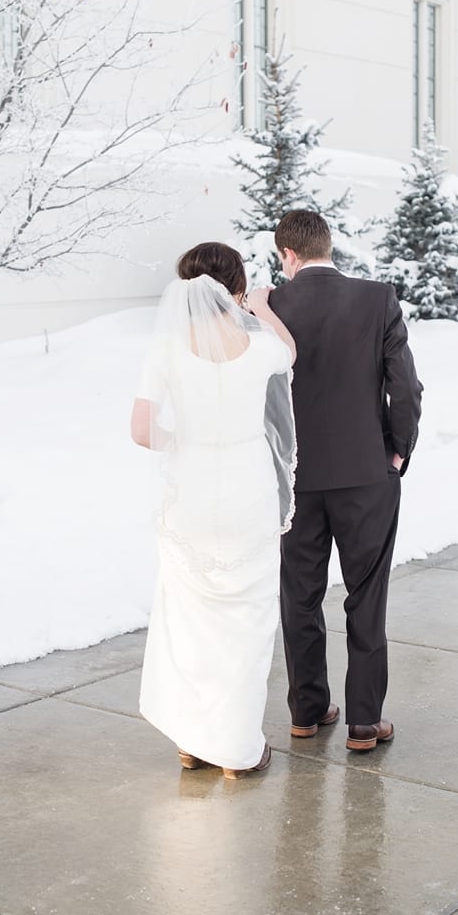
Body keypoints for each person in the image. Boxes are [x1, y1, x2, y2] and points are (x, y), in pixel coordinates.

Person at [131, 242, 298, 779]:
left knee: (190, 618)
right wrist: (263, 308)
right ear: (237, 289)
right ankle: (237, 751)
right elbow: (291, 353)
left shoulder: (167, 348)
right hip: (249, 490)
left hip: (194, 491)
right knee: (246, 622)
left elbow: (141, 430)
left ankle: (192, 742)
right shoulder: (261, 346)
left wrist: (186, 441)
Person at [266, 210, 423, 751]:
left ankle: (306, 711)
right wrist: (398, 451)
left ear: (287, 254)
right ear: (327, 246)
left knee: (299, 596)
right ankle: (363, 722)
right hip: (366, 476)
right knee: (367, 595)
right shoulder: (377, 298)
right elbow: (404, 386)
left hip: (294, 479)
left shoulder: (269, 307)